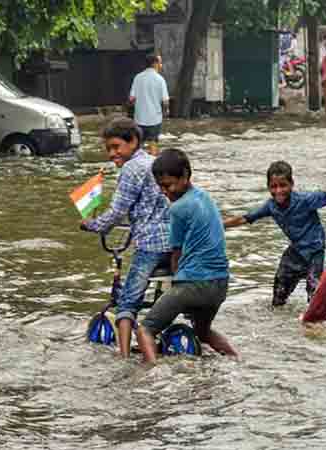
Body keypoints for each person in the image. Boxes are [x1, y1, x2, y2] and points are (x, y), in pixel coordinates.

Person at [136, 149, 239, 362]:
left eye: (169, 184)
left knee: (145, 330)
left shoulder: (178, 208)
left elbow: (176, 253)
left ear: (185, 176)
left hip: (194, 283)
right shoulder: (204, 197)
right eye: (161, 186)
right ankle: (236, 359)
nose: (165, 191)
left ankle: (151, 373)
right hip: (220, 284)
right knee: (203, 332)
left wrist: (176, 283)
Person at [80, 117, 171, 358]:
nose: (111, 154)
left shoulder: (132, 169)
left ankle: (123, 357)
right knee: (160, 293)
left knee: (127, 303)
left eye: (116, 147)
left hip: (150, 245)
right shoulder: (154, 162)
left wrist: (94, 225)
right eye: (108, 148)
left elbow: (118, 210)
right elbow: (146, 206)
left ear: (133, 142)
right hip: (173, 243)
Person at [223, 160, 326, 307]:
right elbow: (245, 218)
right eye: (273, 186)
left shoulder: (305, 200)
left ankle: (313, 321)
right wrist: (220, 225)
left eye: (283, 185)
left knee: (314, 292)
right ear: (268, 187)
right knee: (279, 290)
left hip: (315, 251)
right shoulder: (270, 206)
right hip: (296, 250)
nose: (278, 191)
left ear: (291, 185)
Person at [129, 53, 170, 143]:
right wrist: (166, 111)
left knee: (139, 144)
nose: (161, 65)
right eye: (160, 63)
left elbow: (131, 99)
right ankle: (152, 157)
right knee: (153, 144)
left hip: (139, 119)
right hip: (154, 119)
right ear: (154, 64)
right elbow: (165, 101)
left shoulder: (138, 78)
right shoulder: (160, 79)